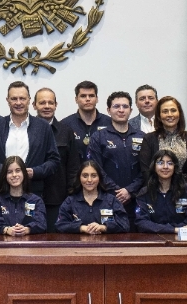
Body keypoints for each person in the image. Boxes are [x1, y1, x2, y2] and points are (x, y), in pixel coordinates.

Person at [0, 81, 60, 197]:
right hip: (1, 193)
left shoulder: (43, 127)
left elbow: (54, 160)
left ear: (29, 100)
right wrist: (3, 170)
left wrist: (35, 172)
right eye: (14, 99)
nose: (18, 103)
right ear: (7, 100)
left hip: (33, 192)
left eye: (22, 98)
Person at [86, 91, 145, 226]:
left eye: (125, 106)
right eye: (116, 106)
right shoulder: (98, 137)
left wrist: (129, 190)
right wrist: (116, 192)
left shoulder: (142, 137)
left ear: (131, 110)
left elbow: (147, 169)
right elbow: (95, 168)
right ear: (108, 110)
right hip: (107, 198)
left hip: (137, 198)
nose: (121, 110)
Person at [32, 87, 79, 232]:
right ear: (34, 105)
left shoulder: (66, 131)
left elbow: (73, 167)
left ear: (56, 105)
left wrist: (71, 195)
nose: (47, 106)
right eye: (42, 103)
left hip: (58, 198)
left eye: (50, 103)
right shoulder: (25, 130)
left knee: (56, 241)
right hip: (30, 196)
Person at [138, 96, 187, 196]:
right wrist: (161, 190)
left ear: (179, 114)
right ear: (159, 116)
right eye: (165, 111)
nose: (170, 114)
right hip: (157, 194)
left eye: (173, 110)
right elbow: (146, 170)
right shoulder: (149, 139)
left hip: (186, 193)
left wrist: (185, 190)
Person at [134, 149, 187, 234]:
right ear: (154, 167)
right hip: (155, 241)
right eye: (160, 163)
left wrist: (160, 228)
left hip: (184, 241)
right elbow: (141, 223)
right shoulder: (144, 193)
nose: (165, 167)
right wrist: (173, 230)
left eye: (170, 163)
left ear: (175, 167)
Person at [55, 160, 129, 234]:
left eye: (93, 176)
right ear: (79, 178)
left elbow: (125, 224)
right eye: (85, 176)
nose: (89, 180)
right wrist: (81, 228)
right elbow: (60, 225)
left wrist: (104, 227)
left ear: (99, 178)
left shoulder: (111, 200)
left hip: (105, 244)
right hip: (79, 244)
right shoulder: (70, 201)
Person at [0, 156, 47, 235]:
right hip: (2, 244)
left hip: (28, 245)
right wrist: (6, 230)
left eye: (18, 171)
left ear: (24, 173)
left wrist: (27, 229)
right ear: (5, 175)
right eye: (9, 172)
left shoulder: (36, 200)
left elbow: (41, 223)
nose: (14, 175)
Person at [60, 80, 112, 162]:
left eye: (91, 96)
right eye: (83, 96)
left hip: (103, 173)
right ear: (76, 99)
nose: (87, 99)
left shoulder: (109, 123)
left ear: (97, 99)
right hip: (75, 173)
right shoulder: (65, 125)